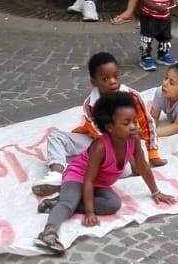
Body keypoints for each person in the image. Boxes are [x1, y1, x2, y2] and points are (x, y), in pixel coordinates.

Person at [31, 90, 174, 256]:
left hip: (99, 183)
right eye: (126, 123)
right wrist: (90, 212)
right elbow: (88, 180)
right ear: (110, 127)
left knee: (113, 204)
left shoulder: (133, 140)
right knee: (68, 205)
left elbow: (142, 166)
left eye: (134, 121)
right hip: (78, 177)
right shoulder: (100, 146)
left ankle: (57, 203)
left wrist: (156, 192)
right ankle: (48, 233)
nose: (134, 126)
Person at [31, 51, 163, 200]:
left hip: (123, 152)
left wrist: (152, 154)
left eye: (116, 76)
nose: (113, 81)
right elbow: (97, 132)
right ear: (94, 82)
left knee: (123, 169)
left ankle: (75, 179)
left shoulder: (132, 97)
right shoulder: (90, 104)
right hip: (99, 144)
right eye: (105, 78)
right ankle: (57, 173)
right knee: (56, 137)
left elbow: (147, 123)